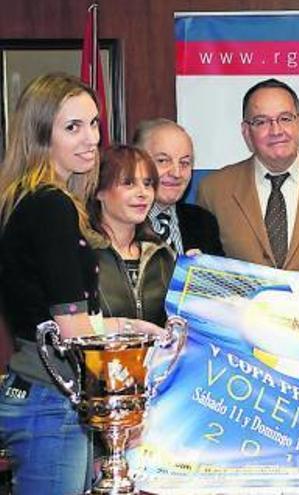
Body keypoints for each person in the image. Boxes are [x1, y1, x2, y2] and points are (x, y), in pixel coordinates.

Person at [0, 73, 163, 494]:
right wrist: (141, 337)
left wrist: (139, 330)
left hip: (40, 393)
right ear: (40, 135)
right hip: (51, 397)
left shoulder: (30, 199)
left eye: (93, 124)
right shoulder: (49, 206)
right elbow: (74, 331)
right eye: (72, 127)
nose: (91, 138)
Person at [196, 78, 299, 271]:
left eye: (285, 118)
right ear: (246, 132)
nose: (276, 131)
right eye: (261, 122)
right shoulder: (213, 191)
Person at [88, 145, 175, 326]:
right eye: (128, 183)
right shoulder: (82, 254)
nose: (142, 193)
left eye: (148, 184)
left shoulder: (163, 255)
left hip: (155, 354)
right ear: (99, 191)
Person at [133, 118, 223, 257]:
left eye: (184, 163)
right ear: (135, 163)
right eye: (163, 161)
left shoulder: (203, 222)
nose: (176, 173)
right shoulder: (122, 223)